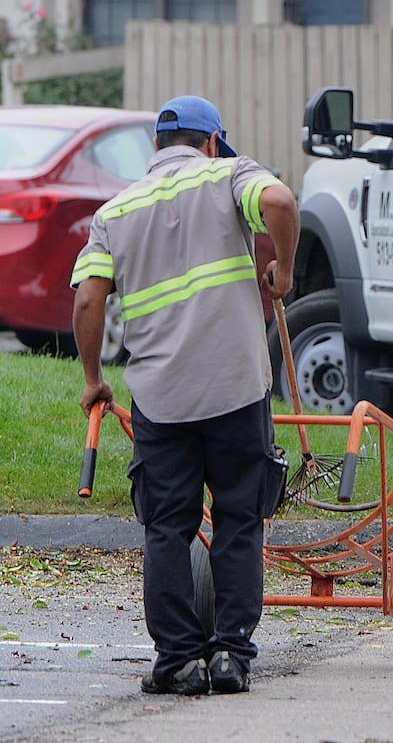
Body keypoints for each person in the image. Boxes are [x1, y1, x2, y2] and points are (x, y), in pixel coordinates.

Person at [72, 94, 298, 697]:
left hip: (161, 397)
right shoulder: (230, 176)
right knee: (238, 520)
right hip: (236, 389)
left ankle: (177, 659)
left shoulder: (115, 211)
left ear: (156, 148)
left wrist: (94, 378)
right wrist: (286, 270)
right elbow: (278, 201)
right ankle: (230, 656)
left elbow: (89, 299)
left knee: (167, 527)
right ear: (211, 142)